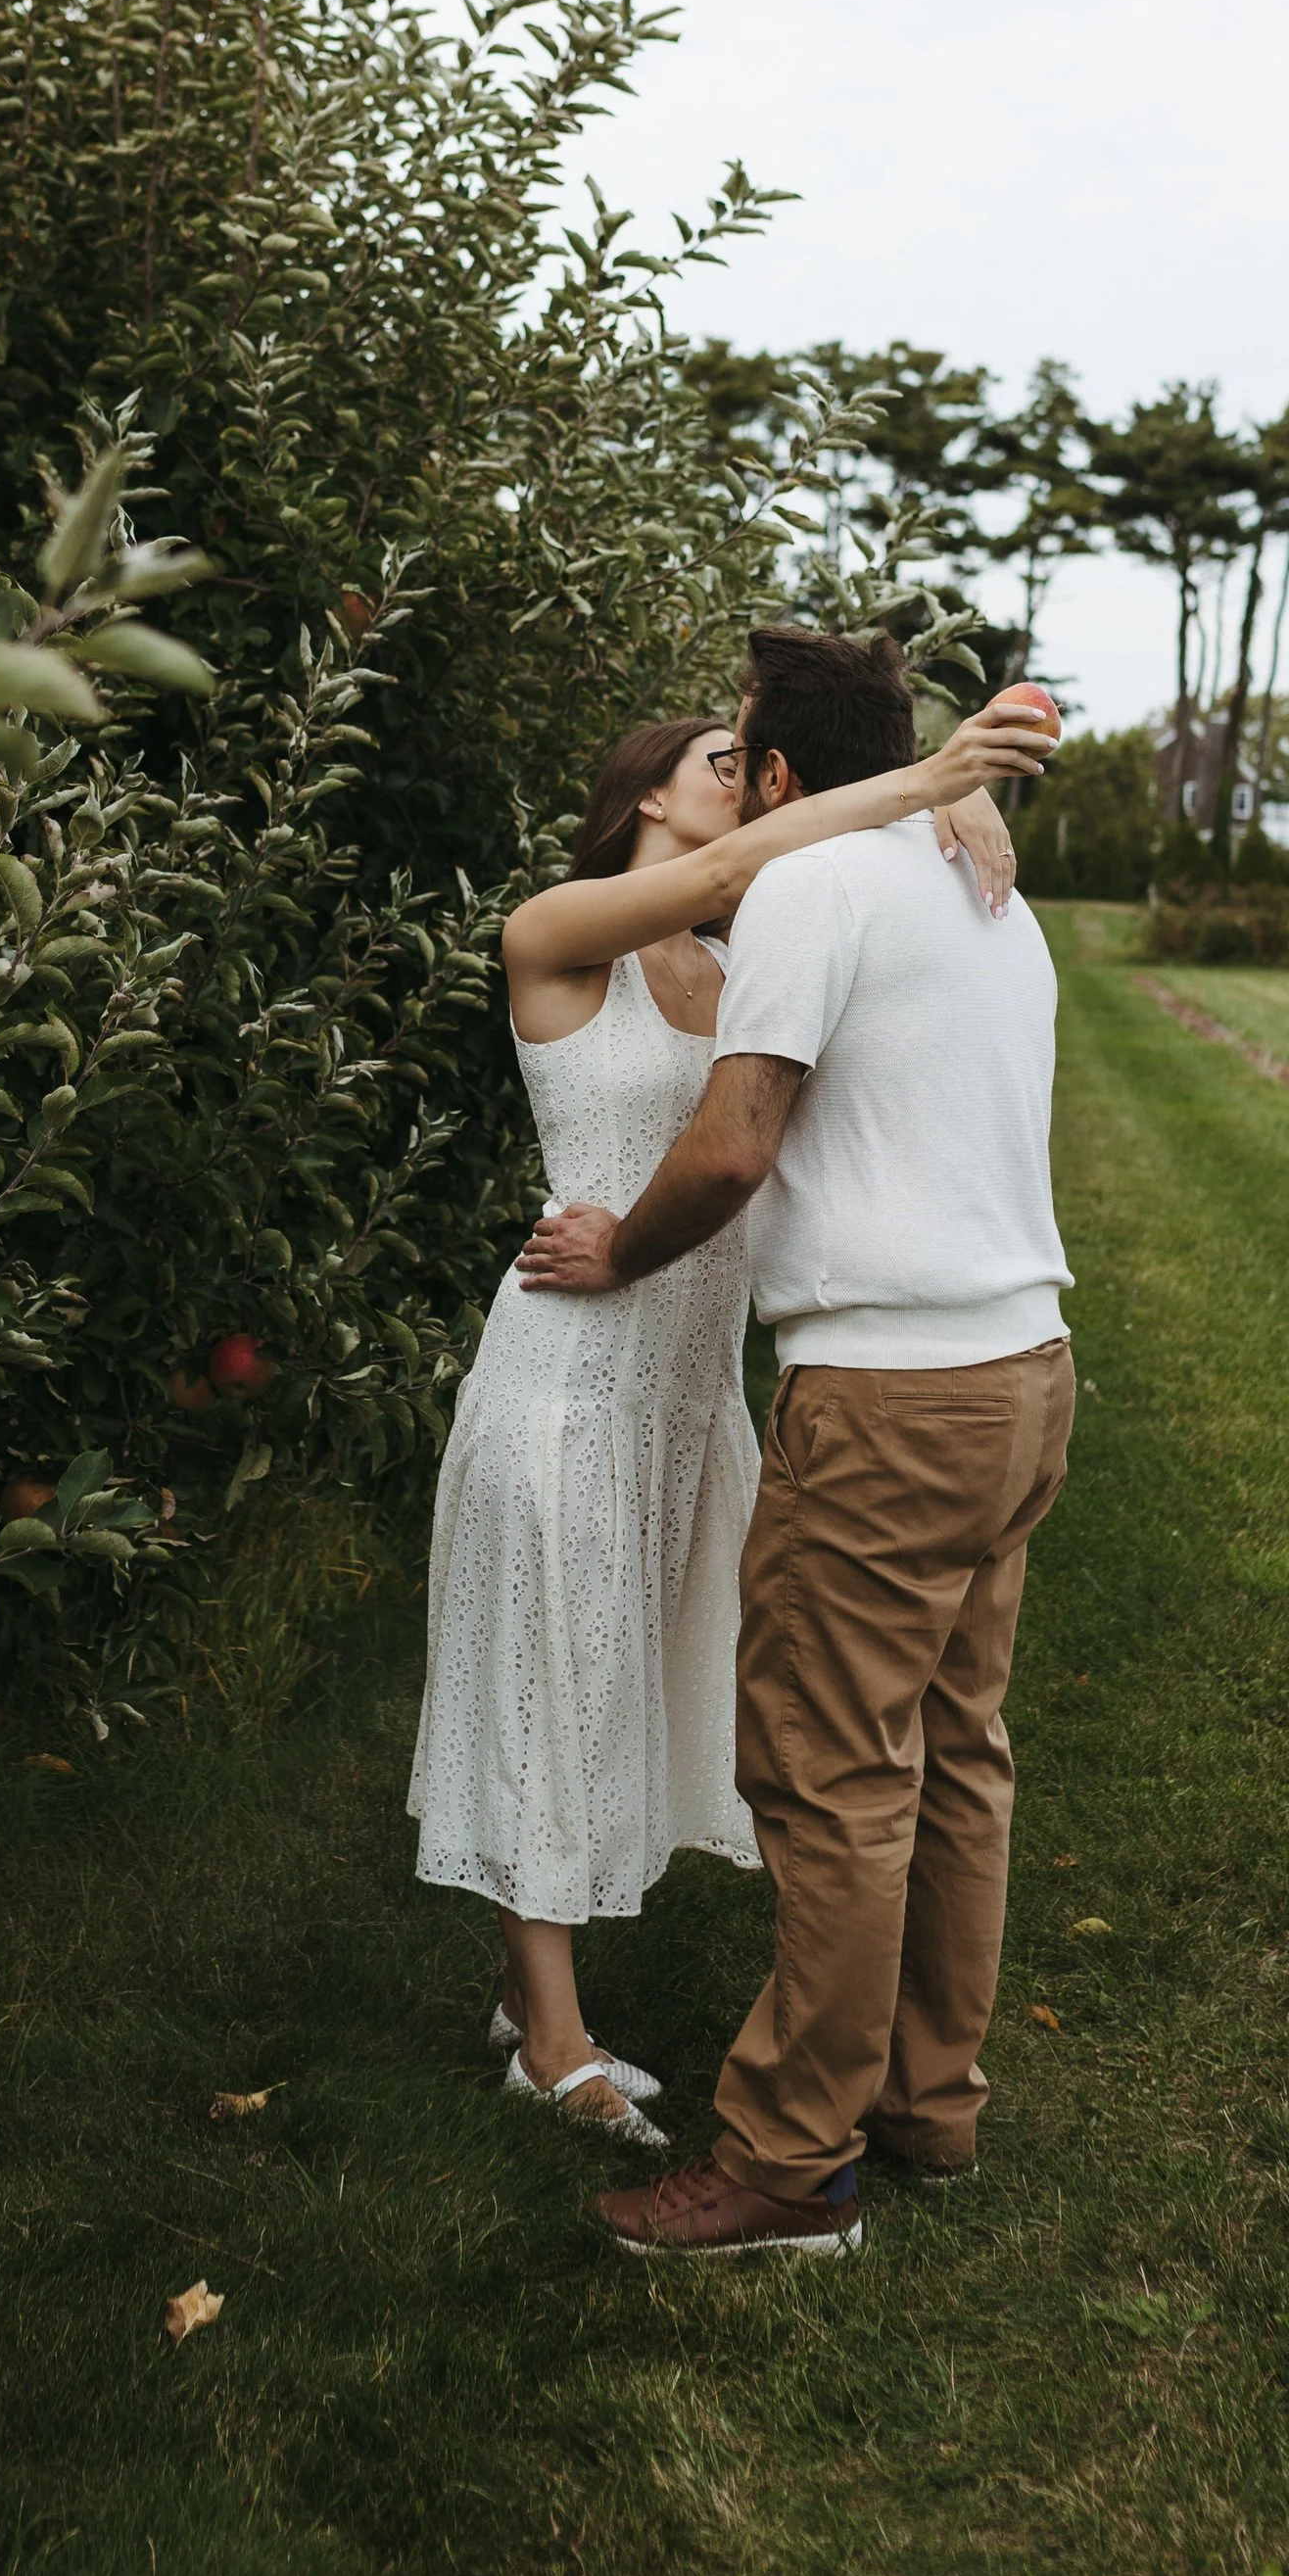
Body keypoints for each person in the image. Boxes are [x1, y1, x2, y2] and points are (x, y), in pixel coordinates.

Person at [408, 686, 1054, 2146]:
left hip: (690, 1387)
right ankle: (549, 2039)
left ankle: (538, 1977)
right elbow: (712, 870)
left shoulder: (738, 952)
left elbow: (797, 867)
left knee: (639, 1683)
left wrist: (947, 793)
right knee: (553, 1684)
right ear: (647, 790)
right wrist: (932, 774)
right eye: (720, 766)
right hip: (572, 1367)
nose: (749, 789)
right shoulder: (556, 932)